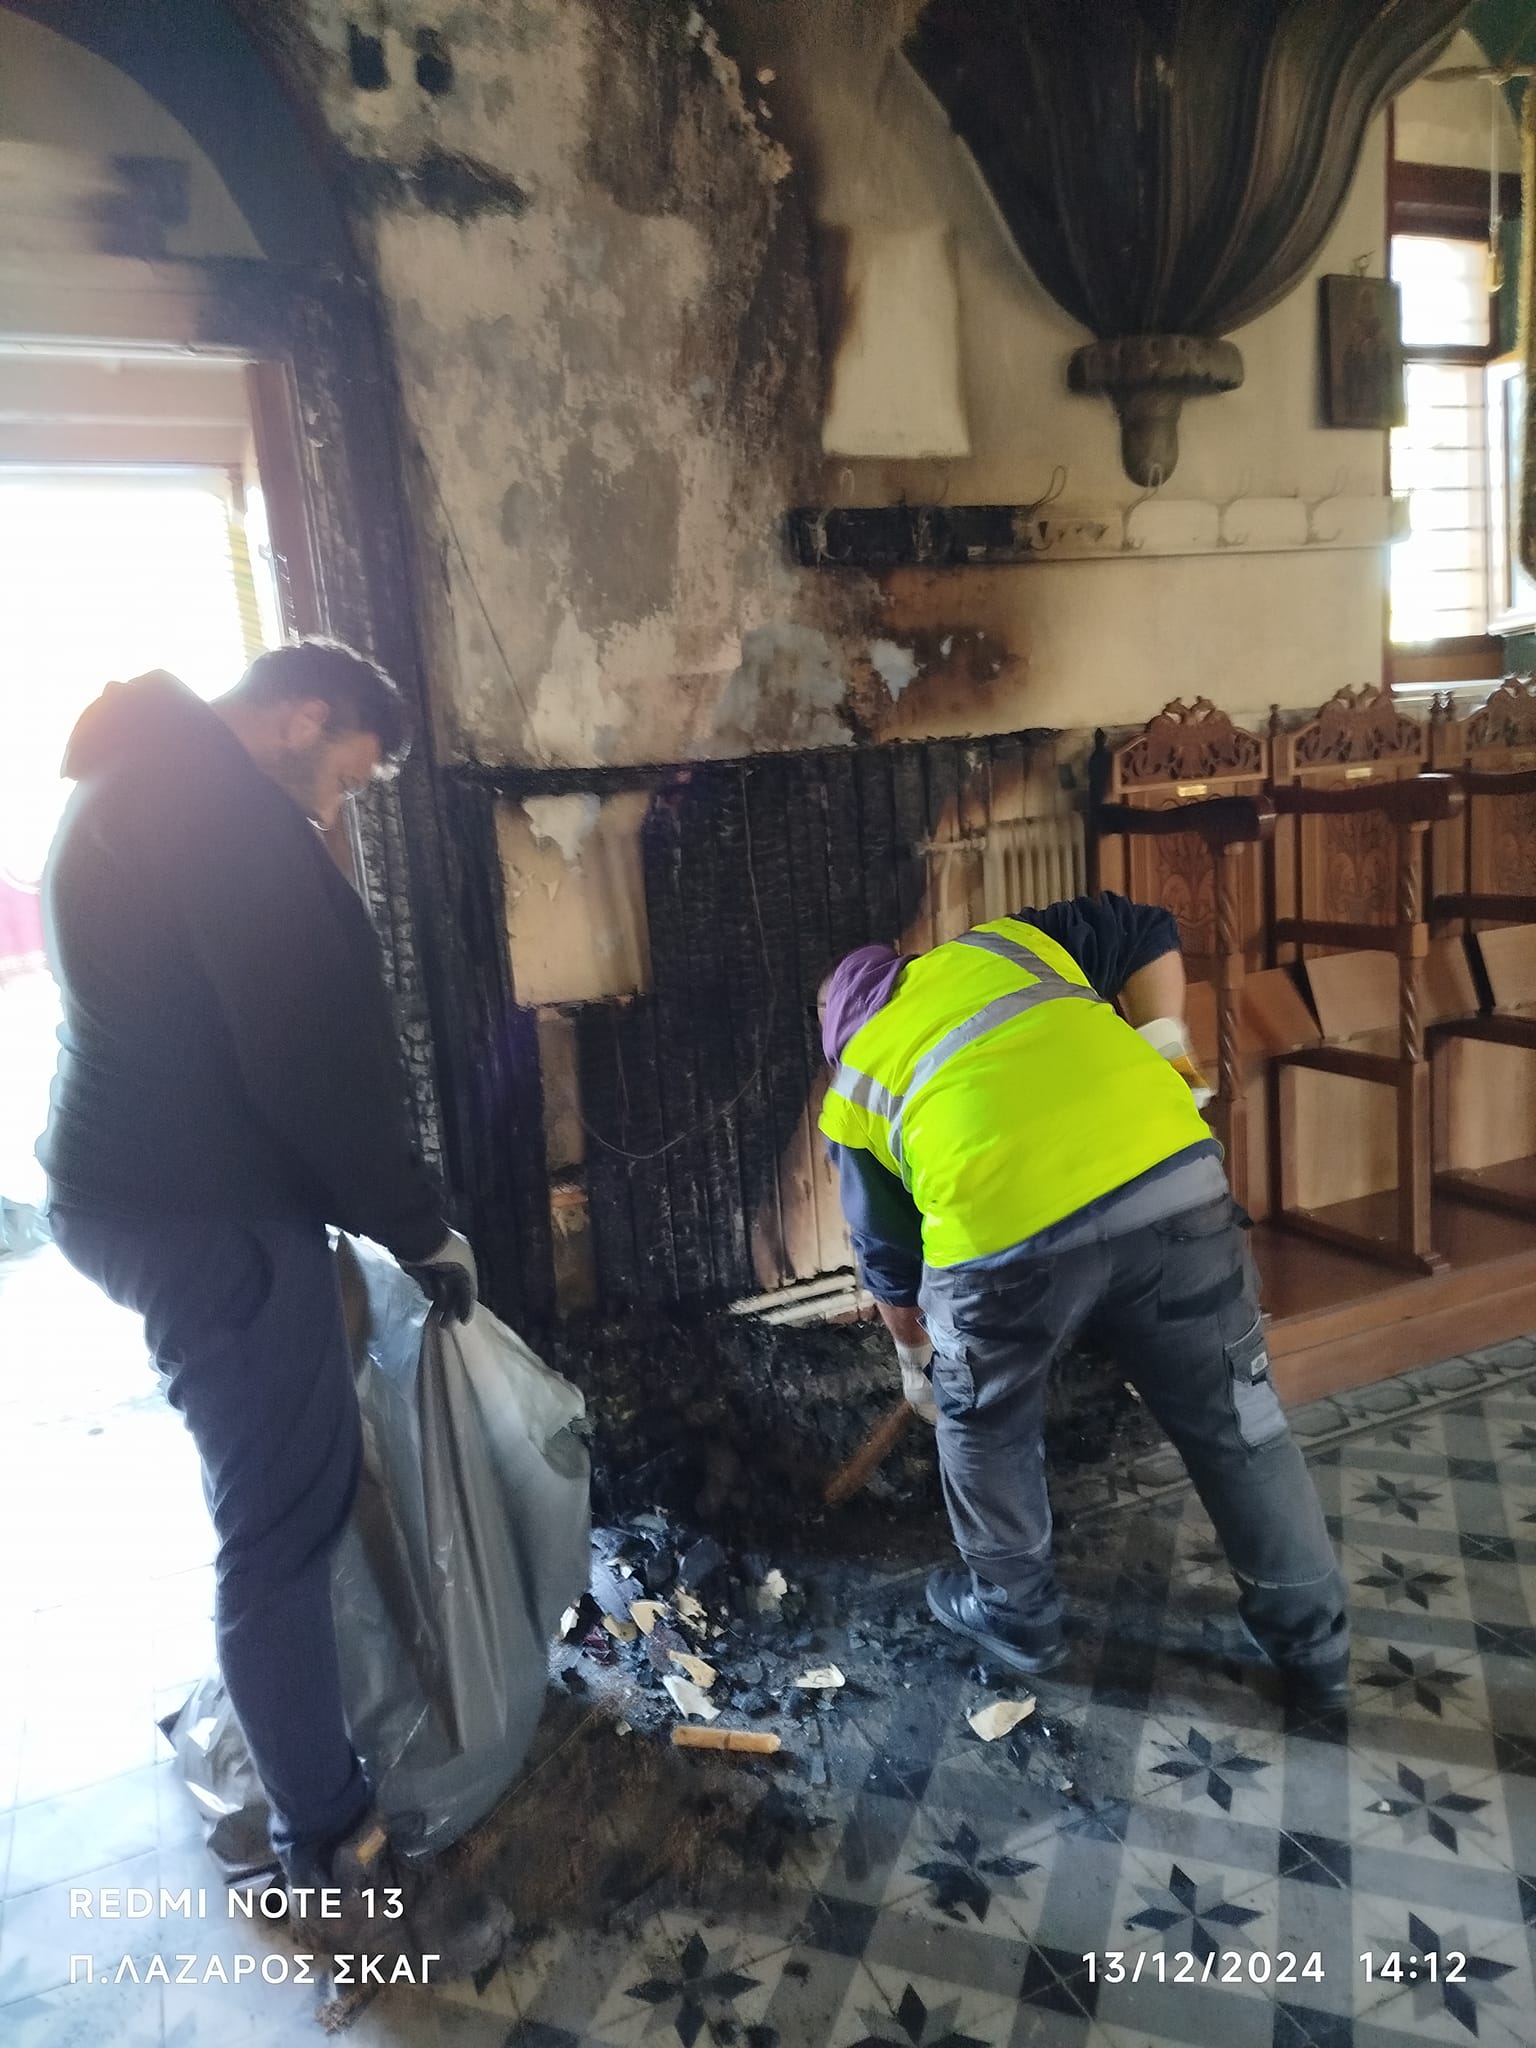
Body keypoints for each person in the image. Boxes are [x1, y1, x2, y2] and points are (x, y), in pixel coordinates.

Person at [38, 641, 480, 1930]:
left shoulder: (128, 775)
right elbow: (312, 1063)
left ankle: (286, 1743)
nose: (336, 806)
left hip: (139, 1189)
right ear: (303, 716)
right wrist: (420, 1227)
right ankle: (333, 1851)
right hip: (206, 1215)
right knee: (282, 1524)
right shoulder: (215, 805)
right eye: (344, 777)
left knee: (271, 1490)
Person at [819, 893, 1350, 1712]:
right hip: (1178, 1192)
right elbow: (1148, 928)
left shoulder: (855, 1082)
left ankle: (1016, 1617)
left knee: (986, 1427)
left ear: (839, 1033)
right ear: (905, 969)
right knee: (1241, 1425)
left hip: (1004, 1252)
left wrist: (920, 1365)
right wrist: (1167, 1051)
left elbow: (891, 1268)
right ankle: (1316, 1649)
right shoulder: (1007, 947)